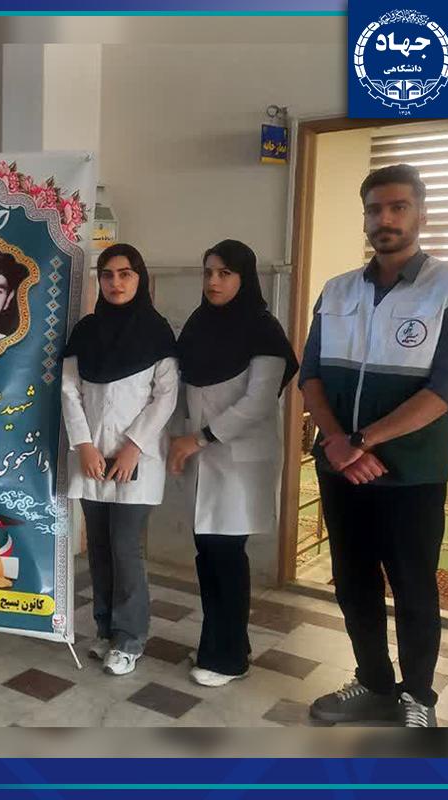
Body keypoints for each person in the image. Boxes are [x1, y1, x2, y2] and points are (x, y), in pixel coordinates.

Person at [300, 164, 448, 728]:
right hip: (342, 470)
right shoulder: (337, 290)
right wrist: (338, 445)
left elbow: (445, 391)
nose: (385, 219)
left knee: (413, 589)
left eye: (398, 207)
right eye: (375, 209)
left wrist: (361, 441)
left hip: (411, 475)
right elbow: (311, 375)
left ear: (421, 214)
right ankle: (375, 683)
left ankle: (418, 698)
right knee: (352, 582)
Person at [169, 239, 298, 688]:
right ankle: (222, 645)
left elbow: (258, 402)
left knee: (225, 557)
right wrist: (181, 439)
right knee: (208, 555)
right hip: (201, 457)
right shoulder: (199, 324)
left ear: (244, 277)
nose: (214, 281)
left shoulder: (263, 329)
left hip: (239, 460)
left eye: (225, 273)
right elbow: (187, 388)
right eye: (208, 272)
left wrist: (199, 438)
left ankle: (227, 659)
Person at [61, 243, 178, 676]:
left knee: (125, 548)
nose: (115, 282)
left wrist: (134, 446)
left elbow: (166, 396)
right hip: (91, 455)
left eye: (125, 274)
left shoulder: (157, 332)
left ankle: (130, 638)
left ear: (139, 277)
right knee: (99, 548)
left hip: (136, 459)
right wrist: (84, 445)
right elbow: (69, 390)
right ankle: (105, 629)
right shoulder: (86, 331)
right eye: (107, 275)